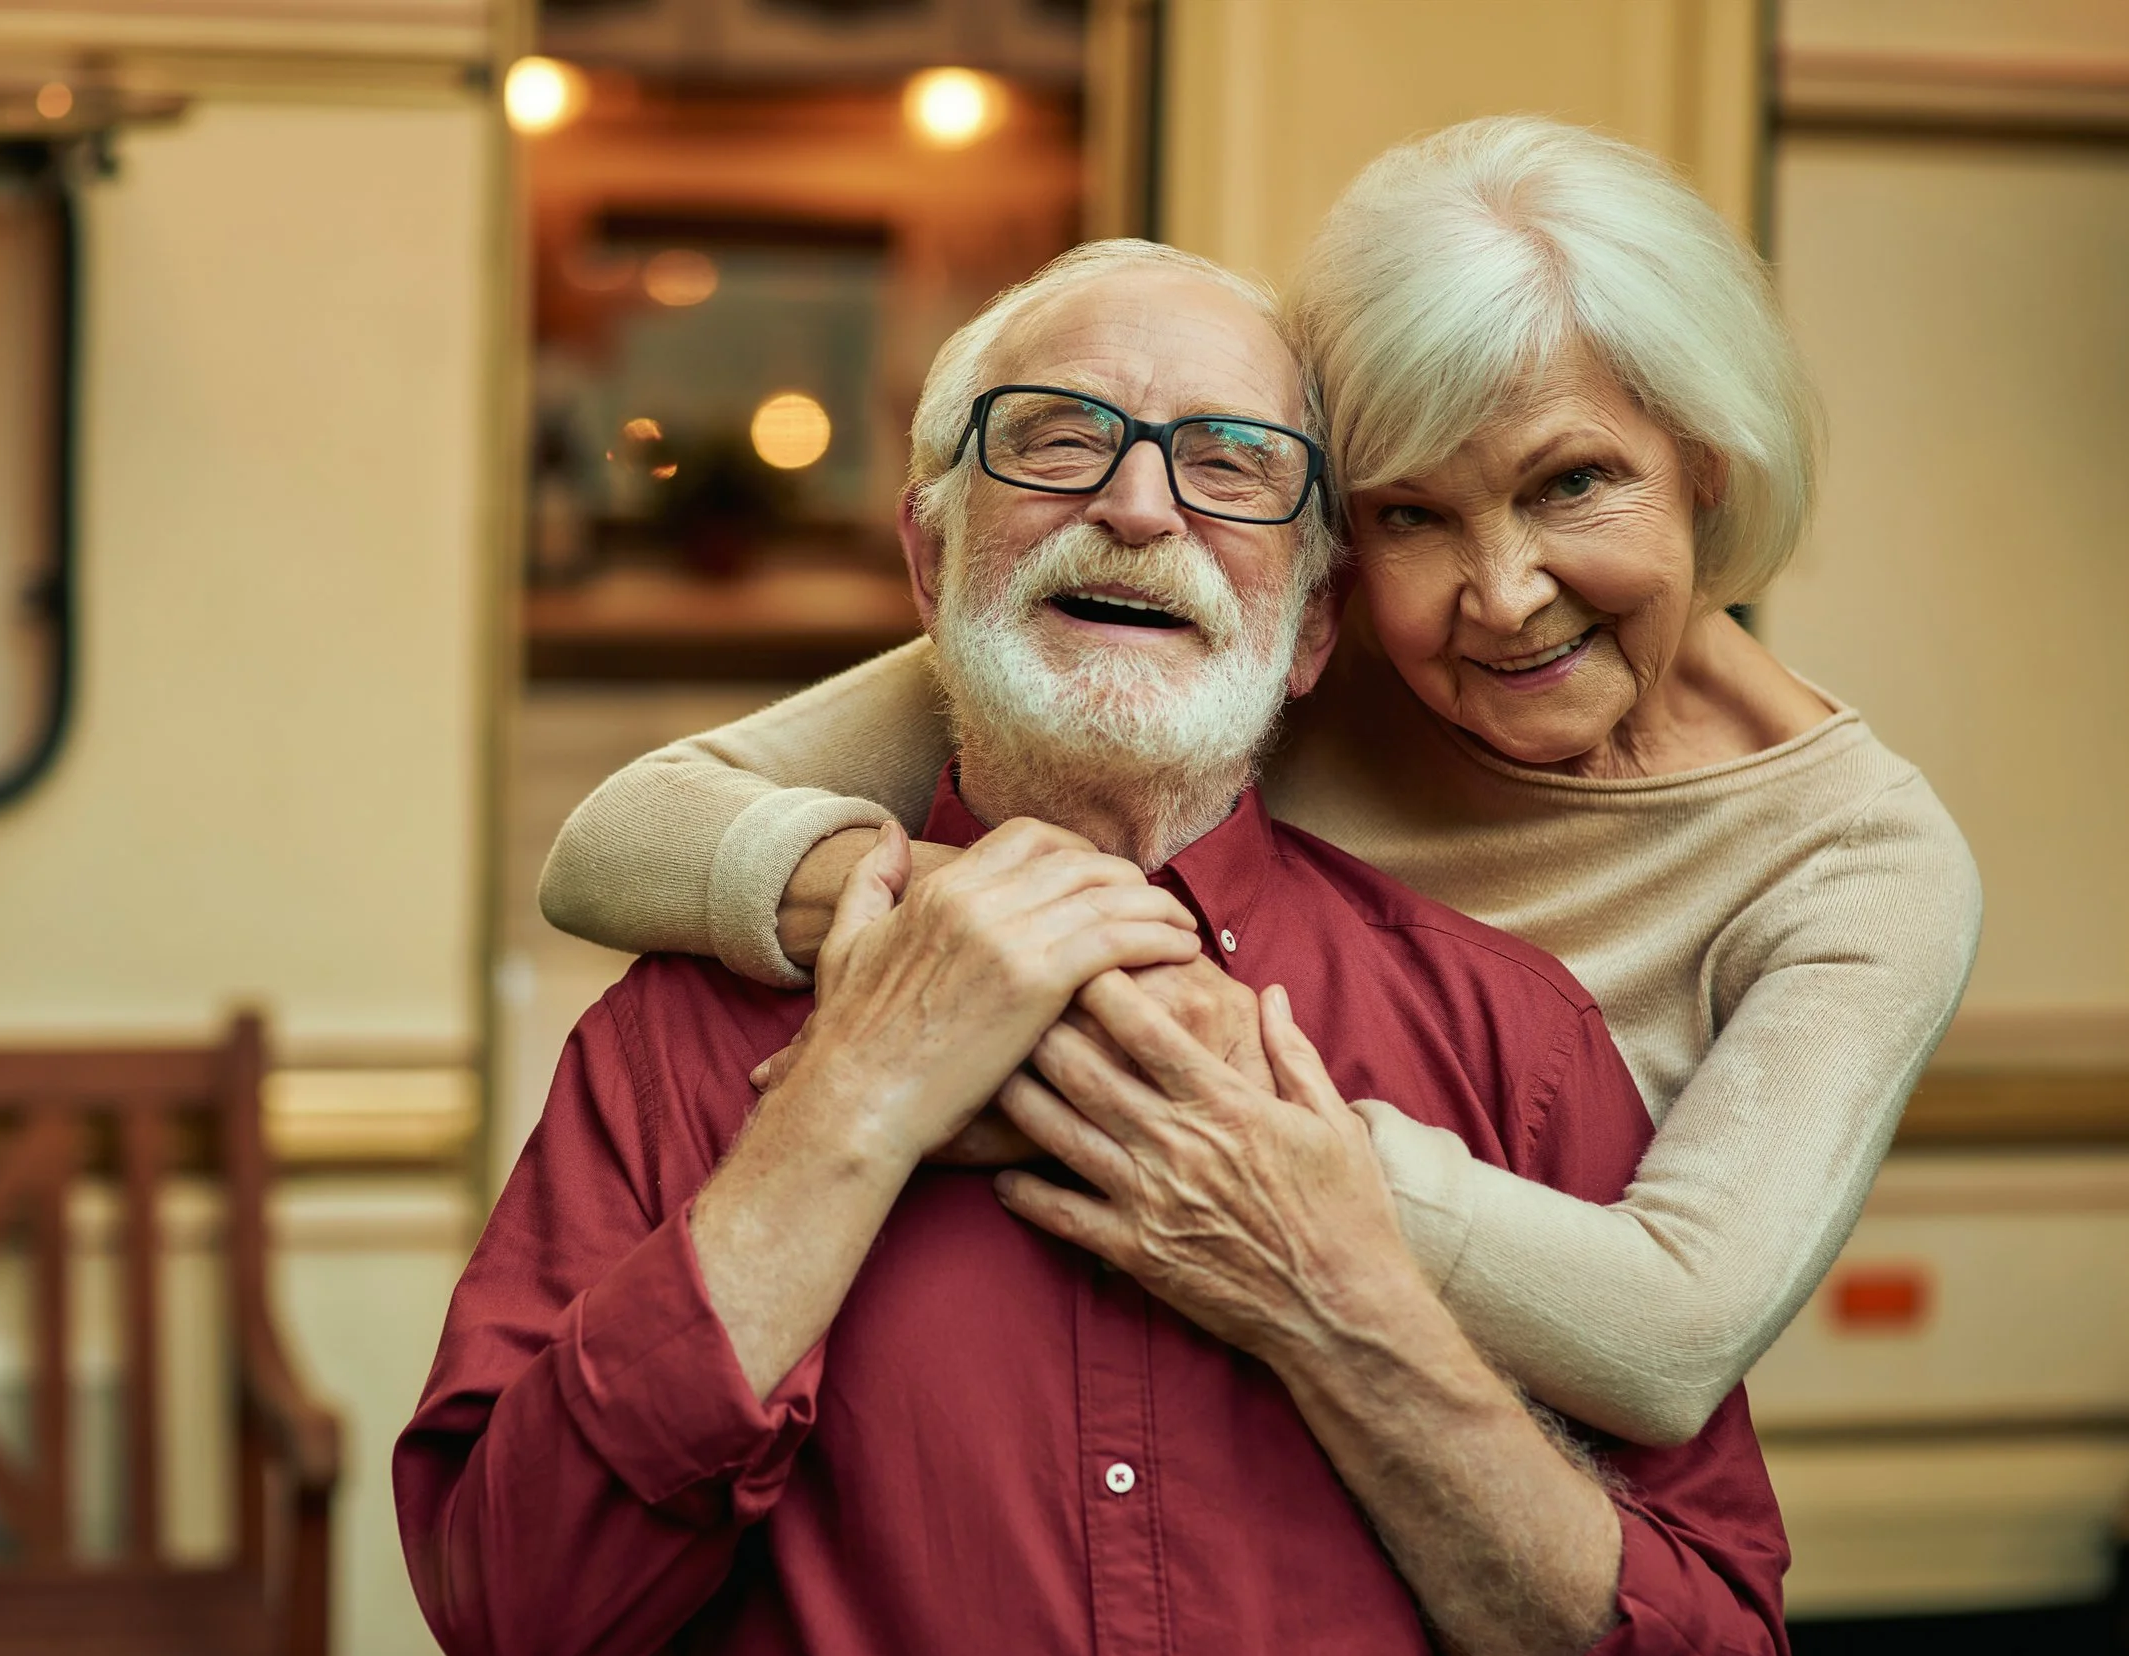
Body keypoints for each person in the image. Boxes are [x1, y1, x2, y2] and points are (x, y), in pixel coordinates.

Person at [397, 240, 1788, 1656]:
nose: (1135, 507)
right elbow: (512, 1612)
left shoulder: (1516, 1044)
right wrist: (845, 1112)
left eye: (1233, 464)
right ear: (931, 564)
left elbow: (1717, 1648)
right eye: (1059, 442)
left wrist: (1342, 1314)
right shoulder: (676, 1040)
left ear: (1314, 624)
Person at [534, 116, 1982, 1444]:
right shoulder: (1268, 638)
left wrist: (1191, 1100)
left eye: (1571, 485)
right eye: (1412, 512)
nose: (1501, 596)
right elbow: (620, 840)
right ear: (1334, 565)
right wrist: (990, 931)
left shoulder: (1856, 860)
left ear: (1709, 473)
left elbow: (1672, 1337)